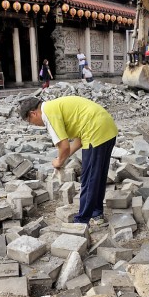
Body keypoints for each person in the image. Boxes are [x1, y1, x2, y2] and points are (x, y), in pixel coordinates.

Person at [18, 96, 118, 225]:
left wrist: (59, 161)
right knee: (98, 176)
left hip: (95, 132)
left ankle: (82, 221)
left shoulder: (48, 114)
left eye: (31, 121)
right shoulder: (55, 106)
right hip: (106, 128)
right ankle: (96, 213)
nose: (35, 124)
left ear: (33, 113)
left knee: (89, 179)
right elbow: (79, 140)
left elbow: (64, 146)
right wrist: (64, 158)